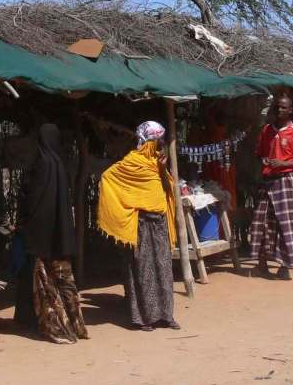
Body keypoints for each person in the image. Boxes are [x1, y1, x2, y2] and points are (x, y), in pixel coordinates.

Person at [97, 121, 180, 331]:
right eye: (155, 139)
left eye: (161, 139)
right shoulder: (131, 162)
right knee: (142, 269)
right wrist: (128, 205)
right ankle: (145, 318)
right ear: (146, 141)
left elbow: (165, 186)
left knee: (163, 267)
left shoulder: (158, 161)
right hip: (141, 224)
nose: (159, 143)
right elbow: (108, 177)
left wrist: (163, 166)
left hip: (159, 222)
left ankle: (166, 315)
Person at [19, 124, 88, 344]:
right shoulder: (60, 163)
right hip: (62, 235)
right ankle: (77, 327)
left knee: (45, 282)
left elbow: (34, 199)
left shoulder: (42, 163)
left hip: (43, 237)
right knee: (66, 281)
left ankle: (56, 327)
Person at [250, 95, 293, 280]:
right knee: (261, 222)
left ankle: (284, 267)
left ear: (290, 110)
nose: (279, 111)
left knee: (285, 224)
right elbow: (259, 154)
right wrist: (265, 161)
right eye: (277, 108)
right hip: (266, 180)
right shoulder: (266, 130)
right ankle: (262, 264)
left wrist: (282, 164)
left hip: (285, 180)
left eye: (283, 108)